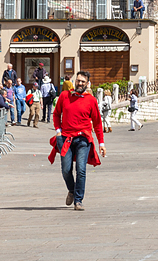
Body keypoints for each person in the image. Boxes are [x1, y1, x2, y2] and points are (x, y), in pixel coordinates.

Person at [50, 71, 106, 210]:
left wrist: (101, 143)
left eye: (83, 82)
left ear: (87, 84)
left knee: (81, 169)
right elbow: (57, 114)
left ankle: (78, 200)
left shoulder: (91, 100)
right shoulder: (64, 96)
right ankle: (71, 190)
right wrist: (58, 131)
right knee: (66, 170)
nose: (80, 83)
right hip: (65, 138)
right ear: (75, 81)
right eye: (78, 81)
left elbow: (97, 123)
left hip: (83, 138)